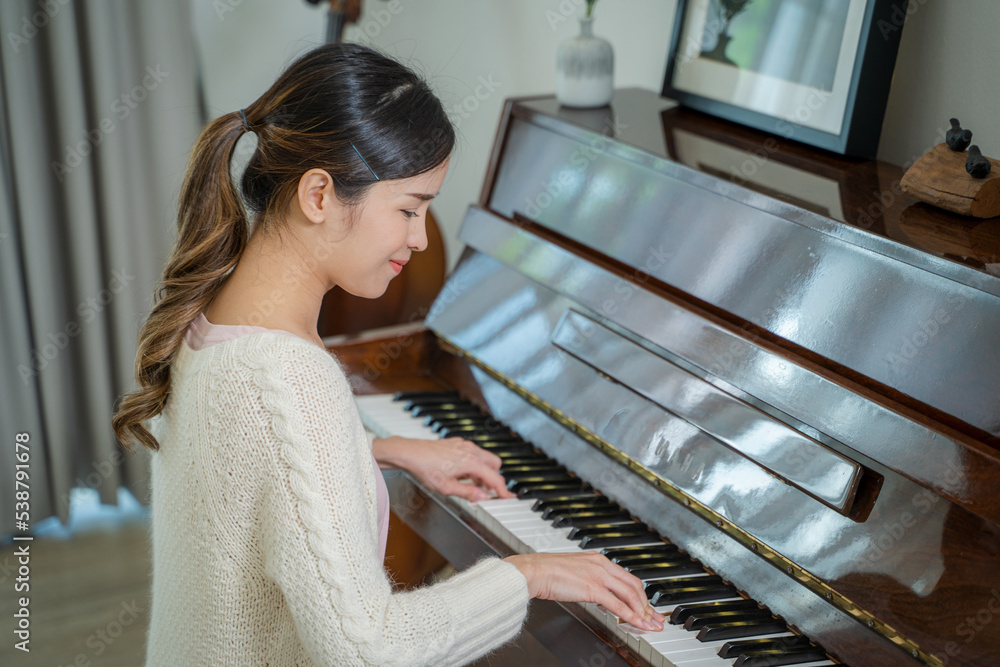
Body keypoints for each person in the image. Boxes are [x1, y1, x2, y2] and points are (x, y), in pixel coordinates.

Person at [111, 43, 664, 666]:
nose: (421, 239)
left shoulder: (212, 306)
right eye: (409, 208)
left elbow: (246, 464)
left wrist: (375, 449)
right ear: (318, 195)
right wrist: (527, 574)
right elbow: (368, 650)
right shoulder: (290, 379)